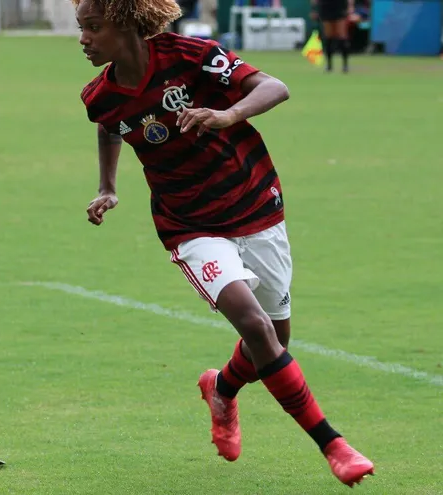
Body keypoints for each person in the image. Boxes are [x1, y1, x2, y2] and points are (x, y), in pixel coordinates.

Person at [73, 0, 374, 487]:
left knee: (275, 340)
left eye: (93, 27)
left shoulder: (191, 56)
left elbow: (275, 86)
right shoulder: (99, 95)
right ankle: (333, 444)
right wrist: (108, 186)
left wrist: (226, 114)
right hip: (189, 224)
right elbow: (110, 126)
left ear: (126, 24)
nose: (83, 39)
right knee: (256, 327)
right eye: (81, 28)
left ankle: (221, 388)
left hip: (255, 204)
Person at [312, 0, 354, 72]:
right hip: (326, 6)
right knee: (328, 37)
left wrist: (350, 6)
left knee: (342, 36)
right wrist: (313, 9)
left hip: (340, 6)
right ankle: (329, 65)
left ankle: (345, 65)